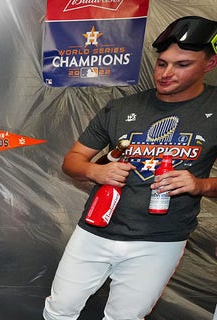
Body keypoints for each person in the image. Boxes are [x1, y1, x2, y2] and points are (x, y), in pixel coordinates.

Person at [43, 16, 217, 320]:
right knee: (59, 310)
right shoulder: (123, 108)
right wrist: (95, 172)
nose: (166, 73)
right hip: (95, 232)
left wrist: (200, 184)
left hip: (159, 241)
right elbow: (72, 161)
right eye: (162, 63)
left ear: (210, 64)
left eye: (182, 64)